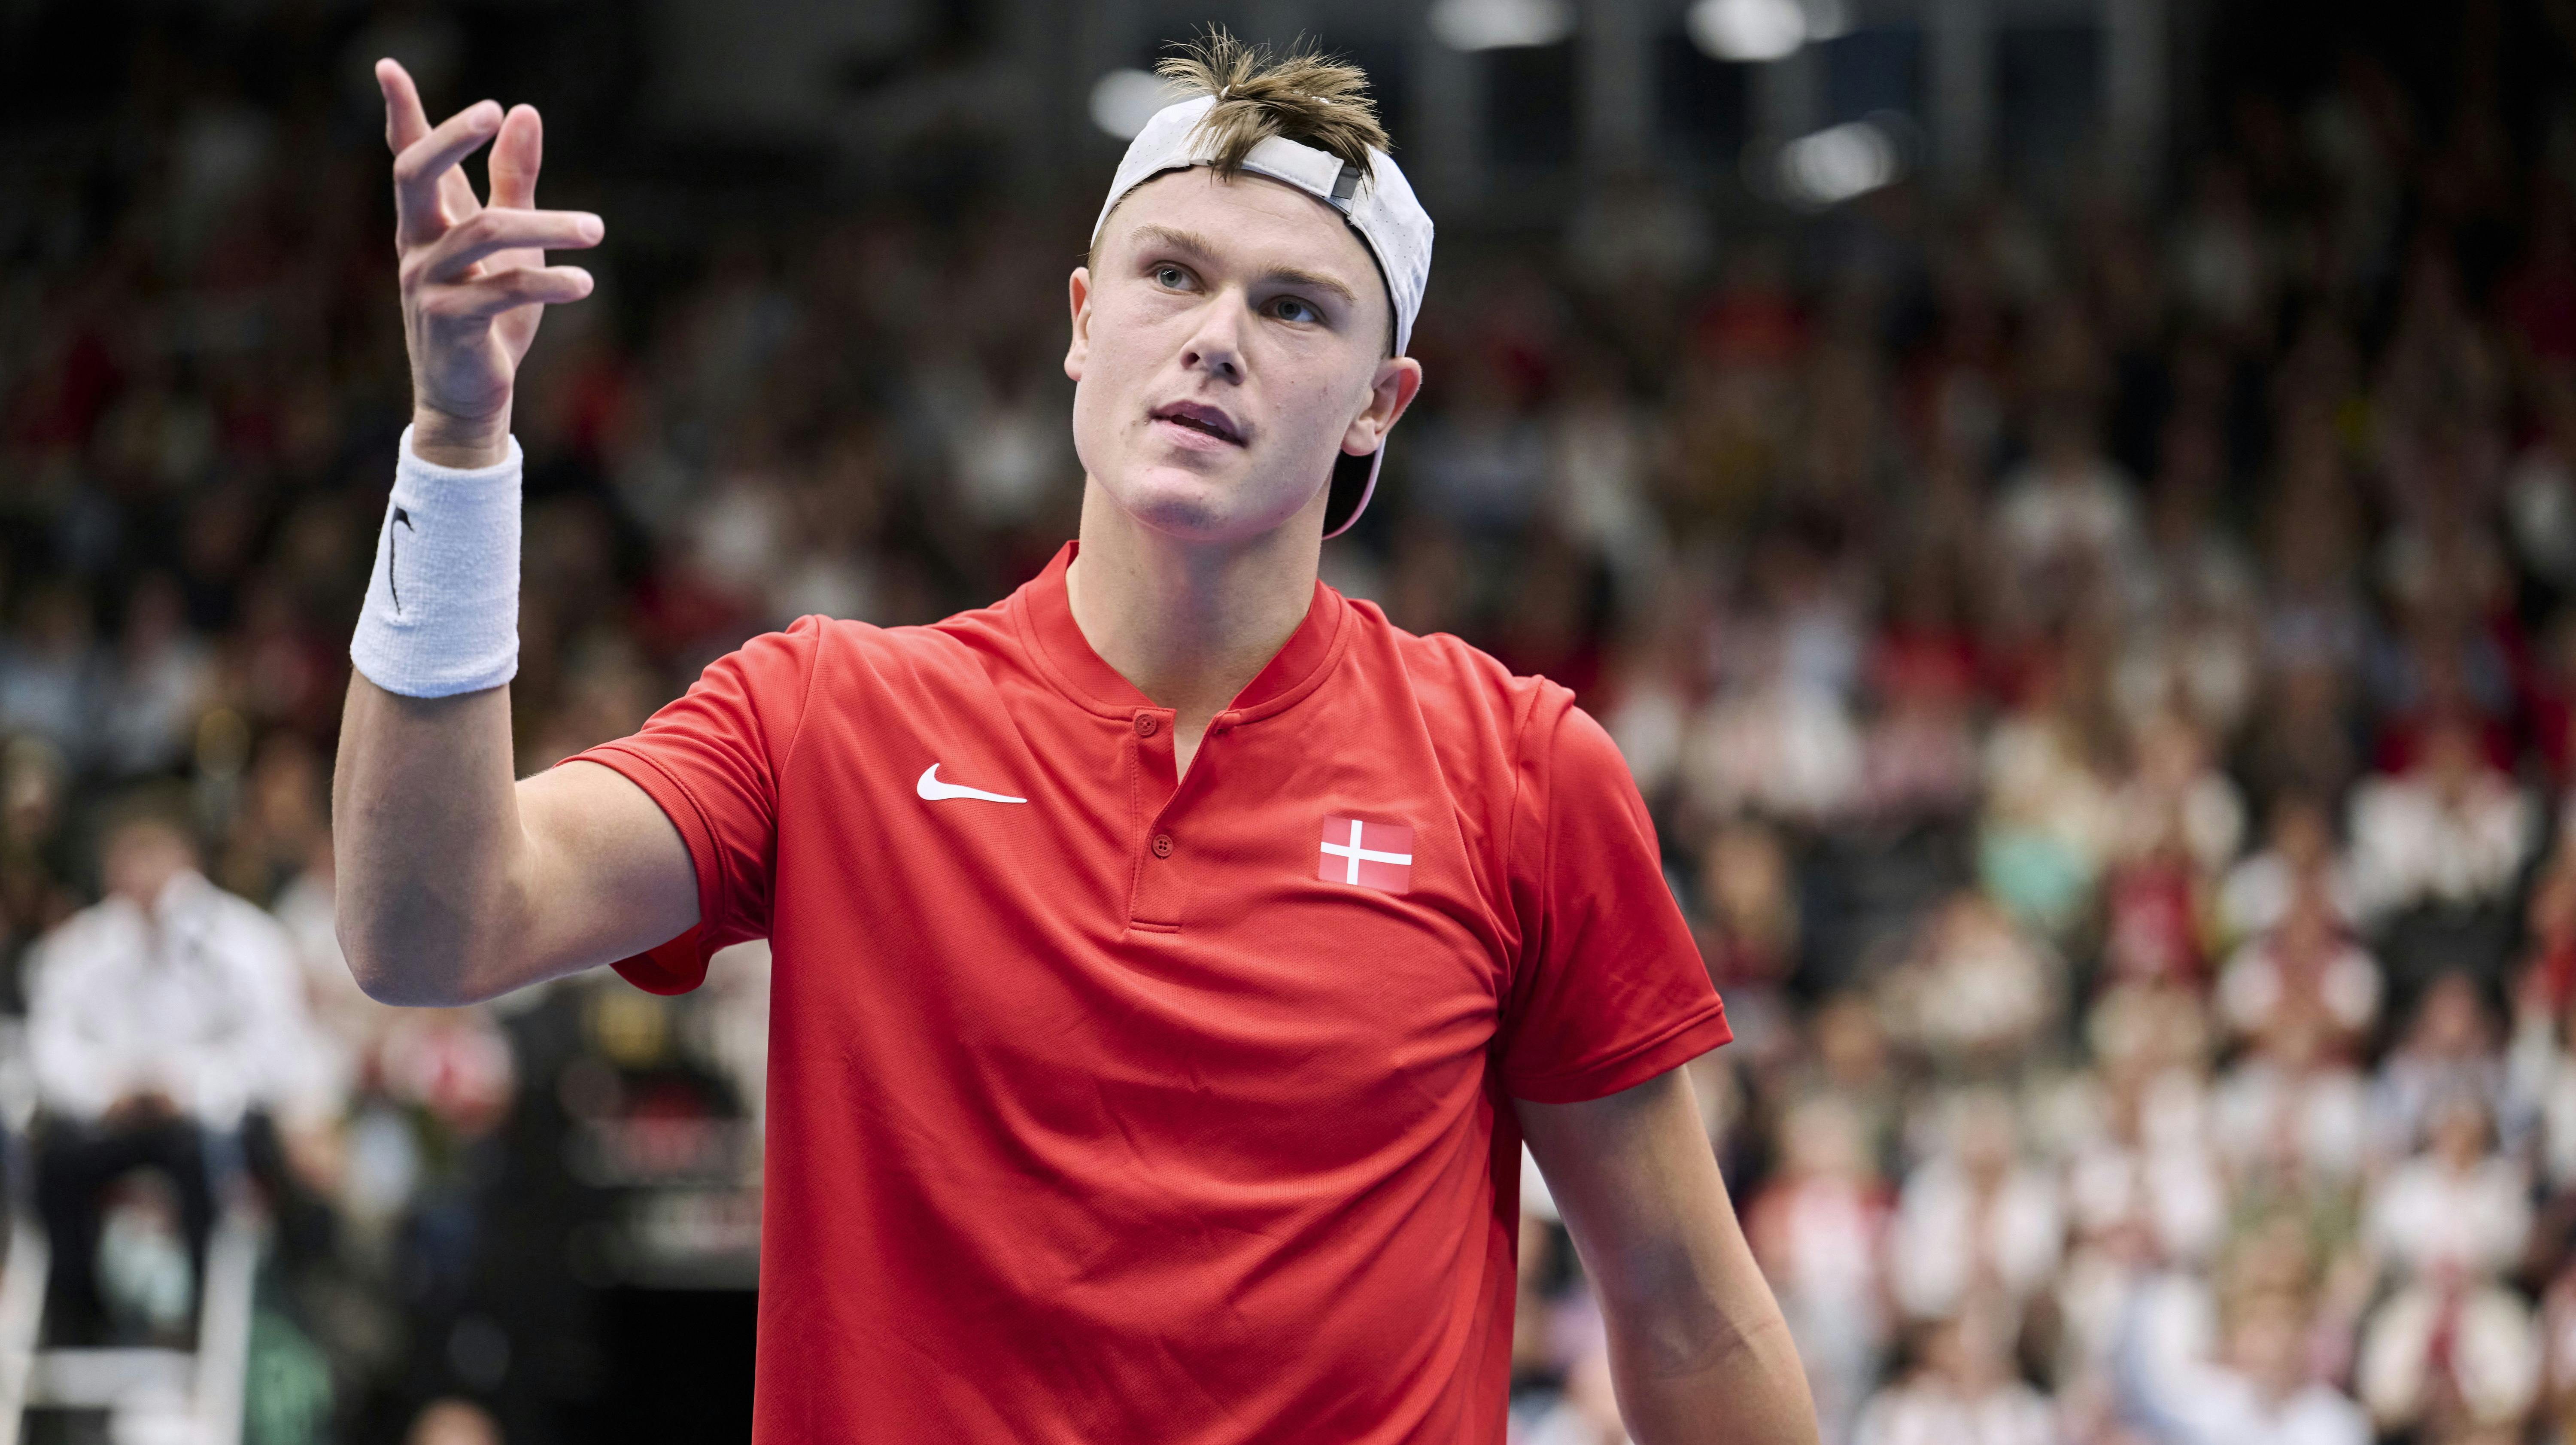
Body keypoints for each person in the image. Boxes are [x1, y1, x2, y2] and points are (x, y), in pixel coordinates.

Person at [334, 30, 1815, 1445]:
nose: (1216, 340)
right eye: (1171, 275)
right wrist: (460, 445)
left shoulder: (1520, 773)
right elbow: (429, 925)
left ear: (1381, 403)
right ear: (1083, 322)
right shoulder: (828, 713)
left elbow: (1688, 1314)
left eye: (1295, 305)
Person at [24, 789, 336, 1342]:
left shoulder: (245, 940)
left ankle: (203, 1325)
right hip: (110, 1121)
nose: (142, 874)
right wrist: (104, 1090)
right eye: (129, 856)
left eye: (155, 855)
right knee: (54, 1164)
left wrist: (187, 1086)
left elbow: (276, 1047)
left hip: (205, 1124)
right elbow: (49, 1047)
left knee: (211, 1159)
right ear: (108, 866)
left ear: (187, 859)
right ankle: (78, 1318)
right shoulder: (77, 949)